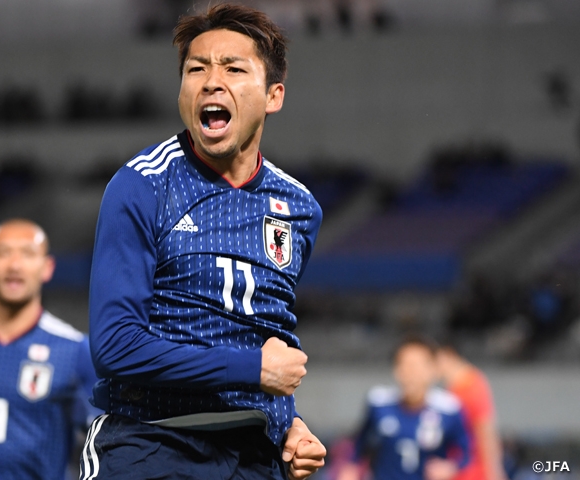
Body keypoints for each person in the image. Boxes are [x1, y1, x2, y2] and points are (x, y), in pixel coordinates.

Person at [81, 3, 326, 480]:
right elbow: (114, 345)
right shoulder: (143, 185)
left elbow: (264, 332)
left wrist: (289, 423)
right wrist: (252, 369)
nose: (212, 81)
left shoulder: (298, 207)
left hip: (252, 453)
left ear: (273, 95)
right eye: (196, 69)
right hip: (150, 441)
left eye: (233, 68)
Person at [0, 219, 99, 480]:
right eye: (3, 253)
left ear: (48, 267)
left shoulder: (75, 350)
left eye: (27, 253)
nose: (14, 265)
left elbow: (102, 434)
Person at [338, 336, 470, 480]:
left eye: (417, 366)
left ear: (433, 370)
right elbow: (361, 443)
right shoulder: (379, 403)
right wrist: (351, 469)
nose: (411, 372)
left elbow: (467, 451)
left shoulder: (449, 409)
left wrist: (451, 467)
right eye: (404, 364)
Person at [436, 341, 506, 480]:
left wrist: (494, 472)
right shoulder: (452, 390)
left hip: (473, 470)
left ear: (448, 354)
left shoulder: (471, 385)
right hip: (456, 468)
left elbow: (485, 429)